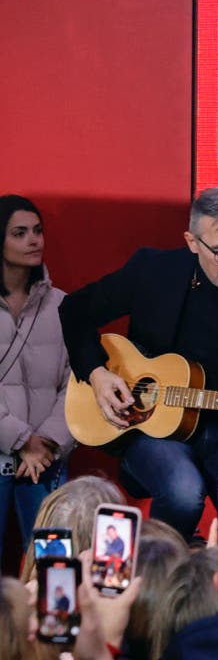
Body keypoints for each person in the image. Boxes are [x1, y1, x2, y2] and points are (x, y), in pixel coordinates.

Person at [59, 188, 218, 540]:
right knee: (183, 492)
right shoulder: (154, 272)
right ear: (192, 242)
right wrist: (97, 374)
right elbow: (74, 310)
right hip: (150, 428)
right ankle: (162, 574)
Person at [0, 195, 74, 559]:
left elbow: (78, 384)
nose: (34, 240)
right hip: (5, 450)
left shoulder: (61, 305)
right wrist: (20, 439)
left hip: (47, 460)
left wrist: (46, 442)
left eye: (38, 231)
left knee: (52, 570)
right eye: (20, 232)